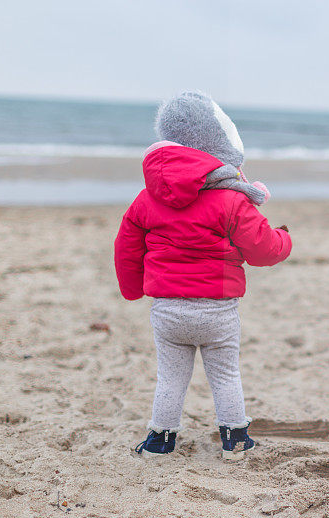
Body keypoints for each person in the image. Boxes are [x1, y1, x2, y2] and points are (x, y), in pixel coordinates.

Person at [114, 92, 292, 460]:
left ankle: (158, 442)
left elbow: (127, 248)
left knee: (171, 378)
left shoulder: (146, 198)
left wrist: (132, 290)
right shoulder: (231, 200)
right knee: (225, 376)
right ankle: (235, 442)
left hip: (168, 310)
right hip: (217, 311)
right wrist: (284, 238)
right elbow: (262, 248)